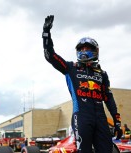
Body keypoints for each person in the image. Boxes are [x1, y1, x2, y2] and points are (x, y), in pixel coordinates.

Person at [42, 15, 122, 152]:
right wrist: (46, 34)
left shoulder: (102, 74)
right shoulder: (70, 68)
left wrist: (117, 121)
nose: (84, 51)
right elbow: (50, 56)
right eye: (82, 49)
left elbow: (109, 99)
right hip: (82, 116)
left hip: (101, 118)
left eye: (87, 48)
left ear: (96, 51)